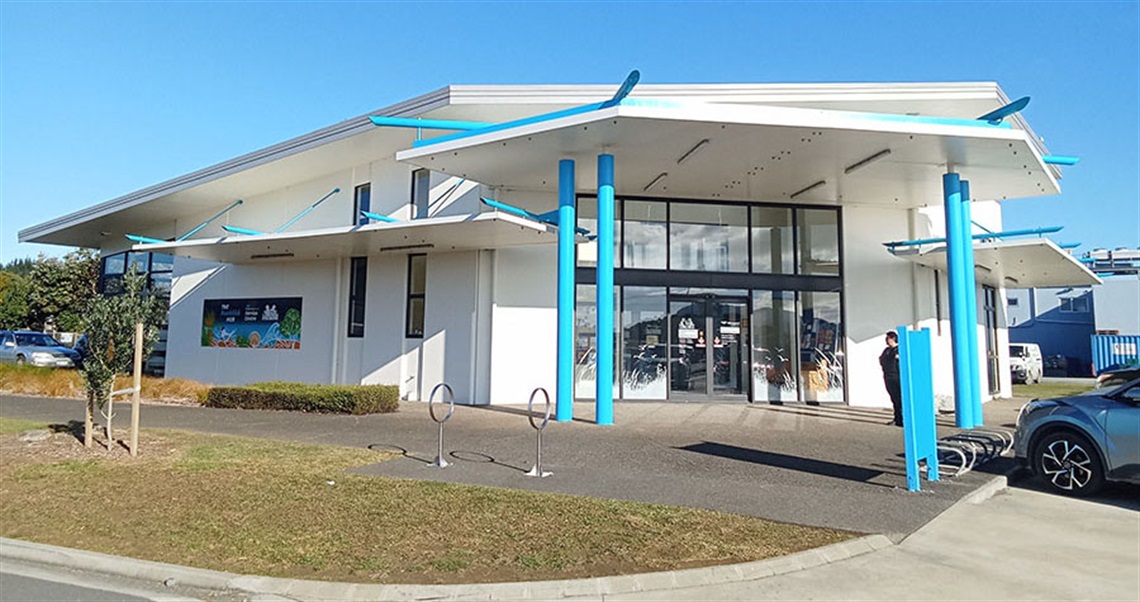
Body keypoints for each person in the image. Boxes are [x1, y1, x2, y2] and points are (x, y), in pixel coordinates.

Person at [879, 331, 903, 427]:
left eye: (888, 338)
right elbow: (882, 360)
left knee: (901, 399)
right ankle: (897, 419)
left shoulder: (899, 349)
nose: (887, 340)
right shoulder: (886, 351)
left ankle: (902, 419)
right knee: (894, 399)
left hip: (897, 376)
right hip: (888, 376)